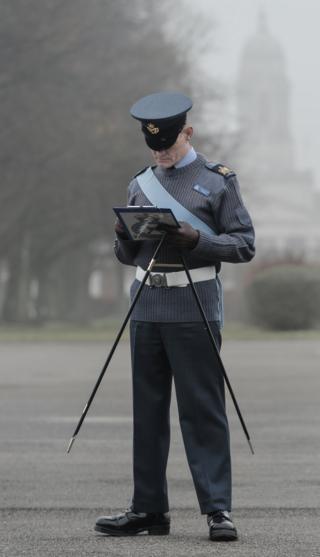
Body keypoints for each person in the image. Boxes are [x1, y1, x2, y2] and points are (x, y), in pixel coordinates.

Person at [95, 92, 255, 542]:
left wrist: (195, 240)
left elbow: (243, 243)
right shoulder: (140, 183)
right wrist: (122, 238)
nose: (161, 153)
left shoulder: (218, 181)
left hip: (194, 308)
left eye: (168, 143)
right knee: (146, 414)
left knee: (202, 412)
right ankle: (147, 510)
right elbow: (128, 256)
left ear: (187, 132)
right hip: (146, 307)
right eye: (154, 147)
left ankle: (218, 510)